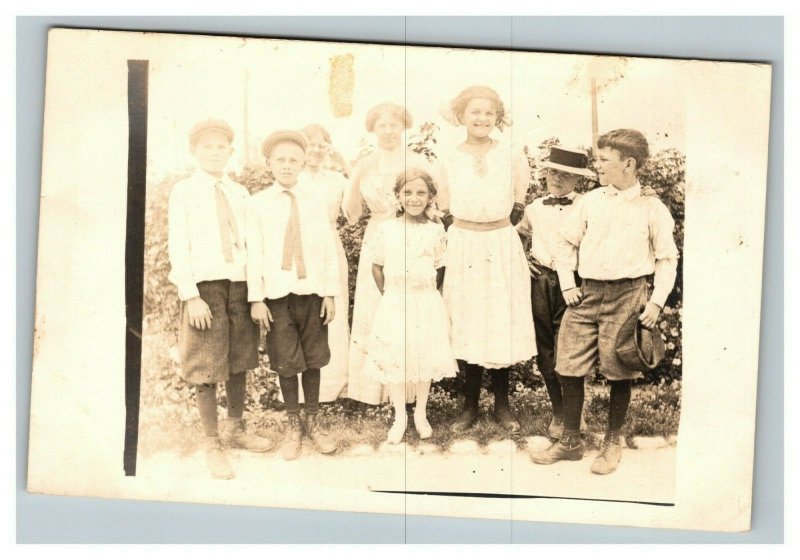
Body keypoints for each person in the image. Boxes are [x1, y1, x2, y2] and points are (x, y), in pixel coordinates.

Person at [530, 129, 679, 475]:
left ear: (629, 164)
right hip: (587, 293)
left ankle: (613, 440)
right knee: (567, 362)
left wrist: (656, 302)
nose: (597, 165)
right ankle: (570, 441)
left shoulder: (651, 208)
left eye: (604, 160)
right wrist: (568, 284)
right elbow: (566, 244)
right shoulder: (591, 201)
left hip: (629, 295)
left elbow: (667, 258)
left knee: (618, 366)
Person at [168, 118, 273, 480]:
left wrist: (256, 296)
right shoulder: (184, 191)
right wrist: (191, 296)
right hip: (206, 289)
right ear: (195, 152)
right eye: (207, 147)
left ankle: (236, 427)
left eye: (221, 147)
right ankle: (212, 442)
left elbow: (253, 246)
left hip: (240, 287)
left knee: (240, 357)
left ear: (230, 151)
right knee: (206, 363)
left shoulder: (239, 193)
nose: (215, 152)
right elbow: (178, 246)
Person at [437, 85, 537, 434]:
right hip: (464, 244)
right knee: (467, 318)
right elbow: (444, 202)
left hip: (499, 243)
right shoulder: (448, 155)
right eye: (474, 112)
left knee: (500, 319)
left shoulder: (510, 153)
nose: (482, 119)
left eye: (489, 113)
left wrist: (498, 229)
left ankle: (502, 405)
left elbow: (519, 198)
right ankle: (468, 405)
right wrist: (459, 229)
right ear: (461, 115)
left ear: (498, 117)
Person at [246, 130, 340, 461]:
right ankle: (292, 424)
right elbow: (253, 253)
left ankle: (313, 420)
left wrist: (330, 293)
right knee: (286, 359)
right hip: (276, 294)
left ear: (303, 163)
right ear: (269, 163)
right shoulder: (257, 205)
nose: (287, 166)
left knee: (313, 356)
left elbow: (328, 248)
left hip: (311, 291)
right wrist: (256, 298)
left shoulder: (315, 200)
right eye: (281, 160)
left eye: (294, 161)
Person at [343, 102, 437, 405]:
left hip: (410, 235)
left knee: (409, 309)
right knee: (378, 307)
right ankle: (371, 391)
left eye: (393, 124)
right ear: (373, 129)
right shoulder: (366, 162)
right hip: (379, 236)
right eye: (381, 125)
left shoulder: (416, 159)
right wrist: (355, 175)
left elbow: (432, 201)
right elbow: (352, 213)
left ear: (403, 127)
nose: (387, 130)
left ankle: (410, 393)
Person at [364, 168, 458, 444]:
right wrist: (392, 293)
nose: (414, 198)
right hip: (396, 301)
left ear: (430, 197)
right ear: (398, 197)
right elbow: (377, 266)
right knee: (396, 356)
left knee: (423, 355)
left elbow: (440, 267)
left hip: (425, 300)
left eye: (421, 193)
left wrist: (426, 291)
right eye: (408, 192)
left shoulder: (436, 230)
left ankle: (420, 413)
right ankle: (399, 417)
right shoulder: (388, 229)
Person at [516, 146, 595, 440]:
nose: (557, 179)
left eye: (565, 175)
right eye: (553, 172)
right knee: (546, 347)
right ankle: (558, 411)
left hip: (574, 284)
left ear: (579, 180)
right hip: (541, 283)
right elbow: (518, 236)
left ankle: (576, 411)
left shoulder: (588, 205)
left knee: (570, 347)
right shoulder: (535, 208)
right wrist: (524, 259)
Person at [274, 123, 349, 404]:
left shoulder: (336, 179)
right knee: (296, 314)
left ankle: (335, 385)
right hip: (294, 248)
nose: (316, 149)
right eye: (311, 145)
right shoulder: (293, 176)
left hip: (327, 247)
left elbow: (360, 192)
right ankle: (297, 390)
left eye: (322, 144)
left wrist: (342, 162)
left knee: (330, 311)